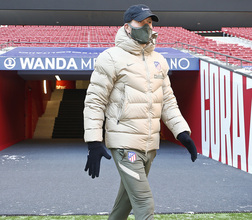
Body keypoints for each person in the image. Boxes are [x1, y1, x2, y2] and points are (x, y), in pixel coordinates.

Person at [83, 4, 197, 220]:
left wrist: (182, 132)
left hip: (150, 145)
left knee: (125, 201)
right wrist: (94, 142)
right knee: (144, 202)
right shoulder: (110, 57)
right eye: (141, 22)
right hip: (125, 145)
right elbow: (95, 102)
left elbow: (168, 102)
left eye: (150, 22)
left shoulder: (159, 60)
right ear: (127, 27)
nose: (147, 26)